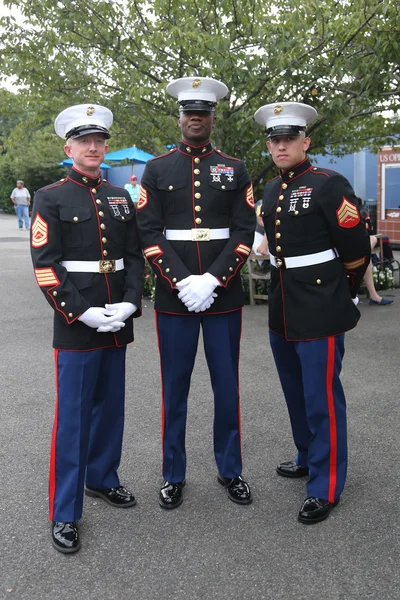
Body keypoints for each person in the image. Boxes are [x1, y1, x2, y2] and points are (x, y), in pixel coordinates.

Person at [137, 77, 255, 509]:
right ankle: (173, 473)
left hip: (223, 297)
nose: (195, 119)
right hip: (174, 297)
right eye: (189, 112)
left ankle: (231, 470)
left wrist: (215, 279)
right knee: (175, 388)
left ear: (212, 118)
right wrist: (184, 281)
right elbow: (148, 230)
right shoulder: (157, 168)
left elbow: (244, 230)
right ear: (180, 117)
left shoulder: (234, 167)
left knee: (227, 386)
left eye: (203, 113)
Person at [30, 103, 144, 553]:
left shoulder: (120, 196)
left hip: (116, 318)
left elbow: (134, 256)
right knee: (73, 419)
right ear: (69, 148)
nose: (93, 147)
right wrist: (80, 312)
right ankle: (64, 511)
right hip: (77, 323)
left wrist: (131, 303)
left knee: (110, 409)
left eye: (99, 141)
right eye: (84, 141)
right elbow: (45, 266)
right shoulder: (51, 196)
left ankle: (102, 478)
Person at [254, 101, 371, 524]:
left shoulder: (328, 183)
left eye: (289, 139)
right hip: (283, 301)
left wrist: (346, 294)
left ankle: (325, 485)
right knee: (294, 390)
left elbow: (357, 250)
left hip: (321, 303)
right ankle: (306, 454)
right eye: (275, 140)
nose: (281, 146)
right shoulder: (270, 190)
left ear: (306, 141)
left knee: (321, 396)